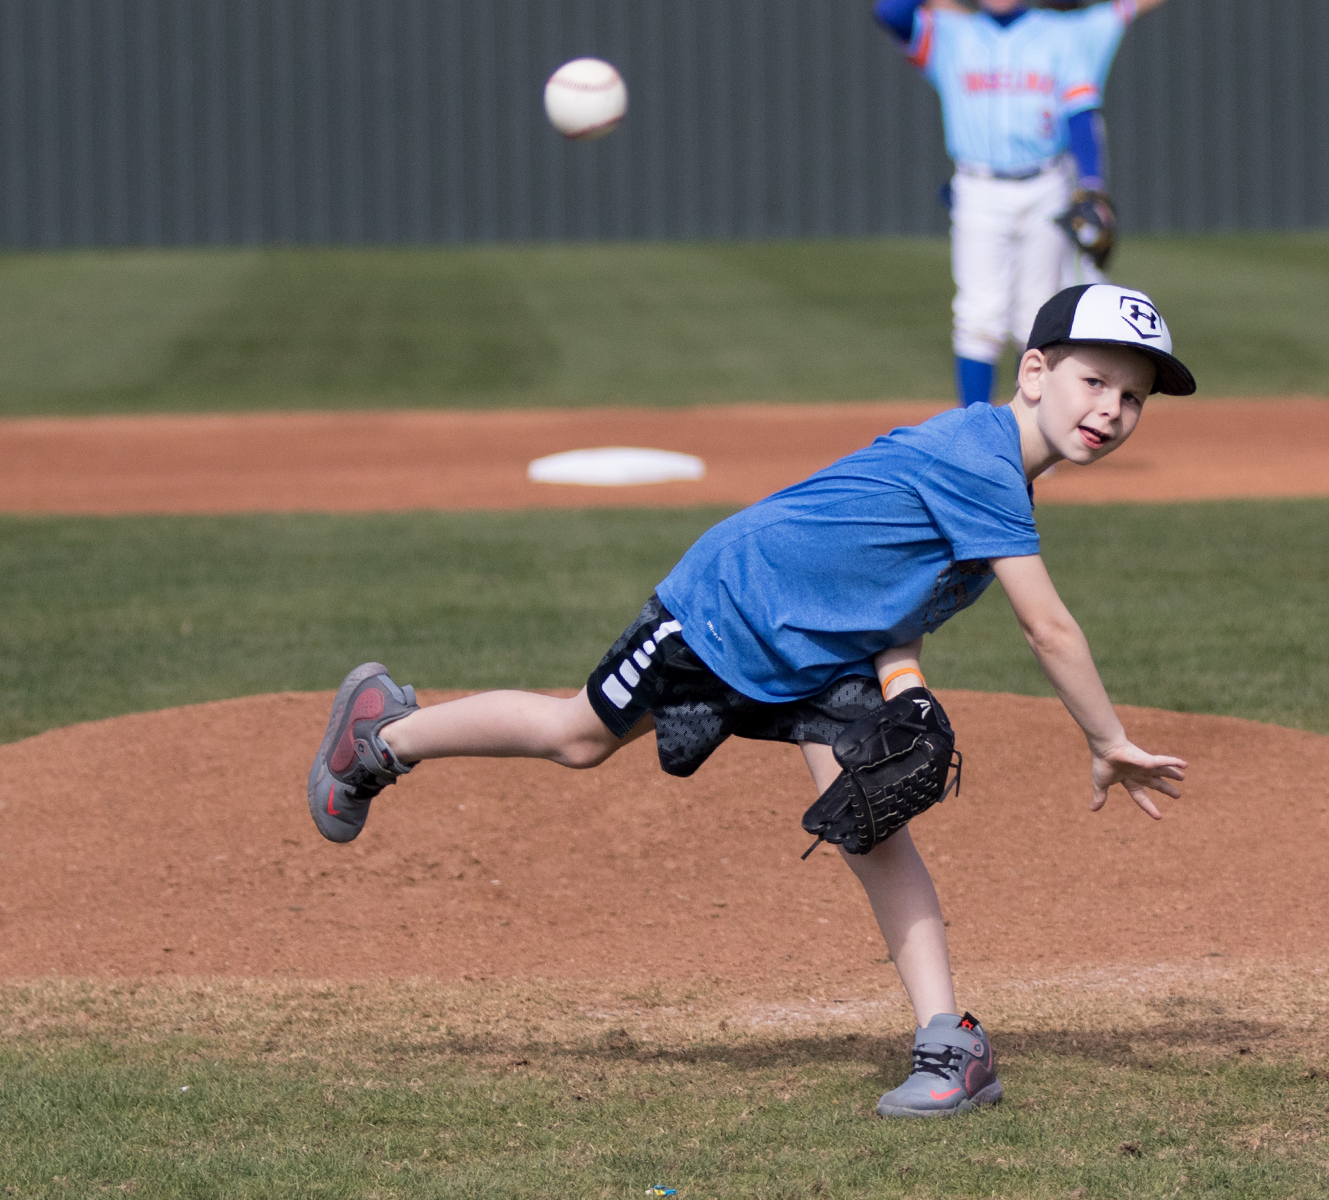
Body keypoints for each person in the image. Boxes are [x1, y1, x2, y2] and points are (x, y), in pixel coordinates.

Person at [306, 282, 1196, 1117]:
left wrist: (904, 686)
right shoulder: (981, 463)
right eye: (1094, 380)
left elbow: (896, 598)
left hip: (824, 650)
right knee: (575, 737)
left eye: (1133, 397)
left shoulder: (1002, 474)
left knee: (874, 822)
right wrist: (1108, 739)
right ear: (1034, 372)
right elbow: (1050, 630)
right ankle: (385, 734)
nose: (1111, 410)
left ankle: (949, 1045)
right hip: (725, 611)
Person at [873, 0, 1171, 406]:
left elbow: (1080, 113)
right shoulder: (950, 33)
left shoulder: (1059, 34)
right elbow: (890, 12)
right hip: (978, 186)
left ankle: (1028, 436)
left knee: (1036, 315)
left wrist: (1092, 184)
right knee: (977, 316)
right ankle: (976, 436)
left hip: (1046, 186)